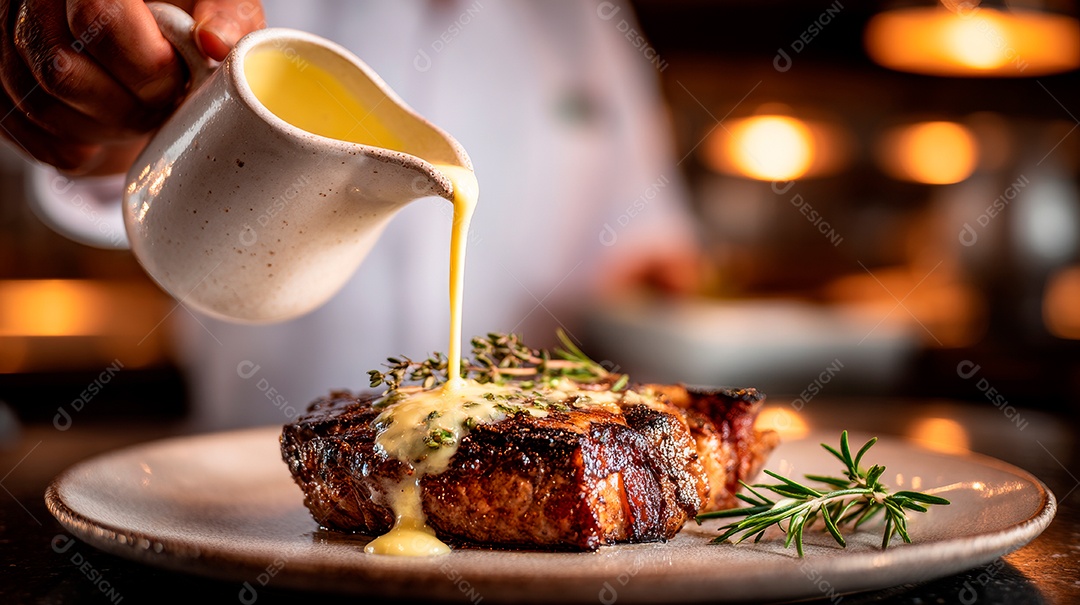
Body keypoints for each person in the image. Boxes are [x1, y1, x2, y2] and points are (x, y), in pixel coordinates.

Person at [4, 0, 700, 428]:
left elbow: (639, 253)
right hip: (236, 490)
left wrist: (675, 307)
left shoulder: (585, 20)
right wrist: (103, 104)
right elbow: (96, 150)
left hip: (530, 507)